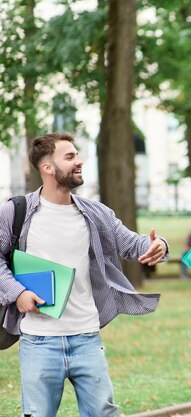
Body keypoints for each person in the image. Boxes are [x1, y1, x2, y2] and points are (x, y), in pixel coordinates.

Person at [0, 132, 168, 417]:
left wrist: (159, 244)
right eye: (70, 156)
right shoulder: (17, 211)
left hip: (87, 337)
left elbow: (132, 243)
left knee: (104, 413)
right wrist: (18, 293)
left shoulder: (95, 213)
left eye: (77, 155)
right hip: (38, 340)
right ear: (47, 167)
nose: (79, 161)